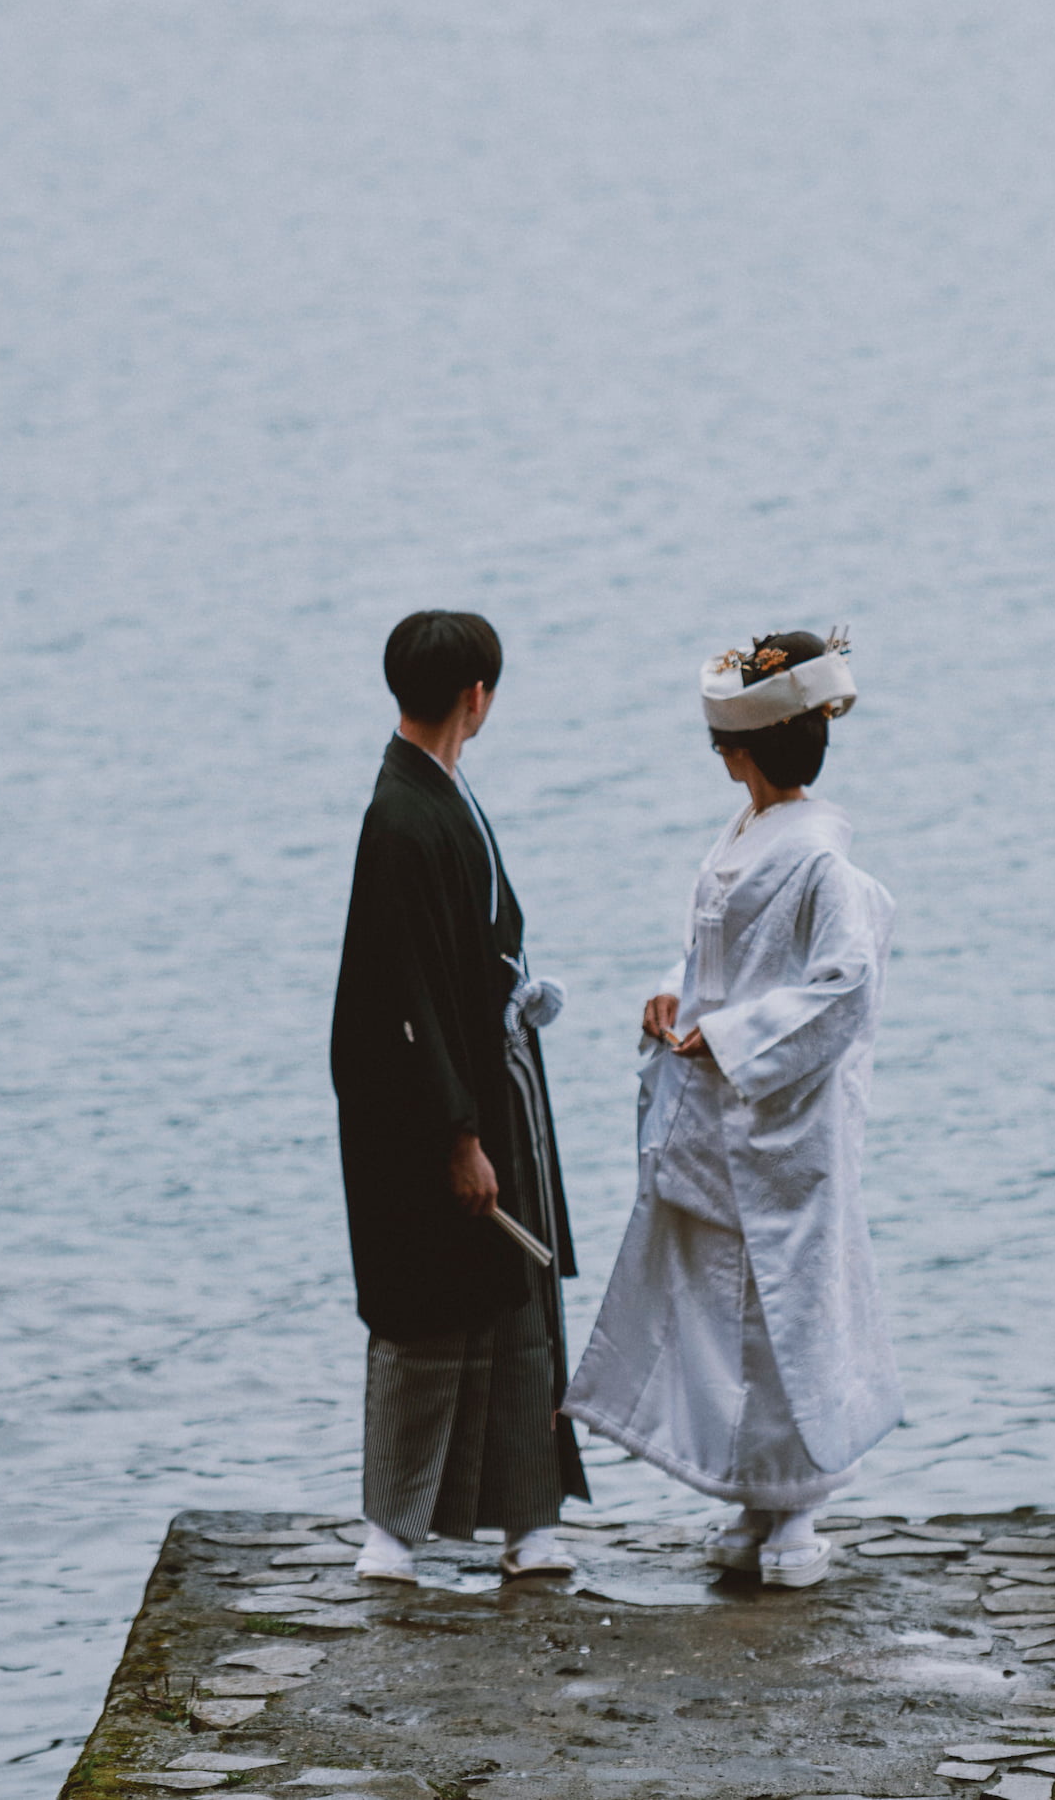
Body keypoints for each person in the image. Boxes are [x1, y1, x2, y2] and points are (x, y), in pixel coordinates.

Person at [562, 628, 900, 1588]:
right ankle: (758, 1494)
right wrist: (675, 994)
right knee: (725, 1305)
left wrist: (740, 1034)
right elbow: (711, 958)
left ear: (741, 751)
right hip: (722, 1111)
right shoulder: (743, 841)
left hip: (783, 1116)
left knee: (788, 1307)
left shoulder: (827, 868)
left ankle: (801, 1501)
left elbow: (844, 986)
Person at [330, 609, 587, 1580]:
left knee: (514, 1303)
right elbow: (398, 996)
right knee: (428, 1308)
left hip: (484, 1078)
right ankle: (392, 1531)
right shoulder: (398, 817)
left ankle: (529, 1522)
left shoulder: (433, 795)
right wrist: (455, 1132)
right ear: (474, 698)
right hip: (434, 1104)